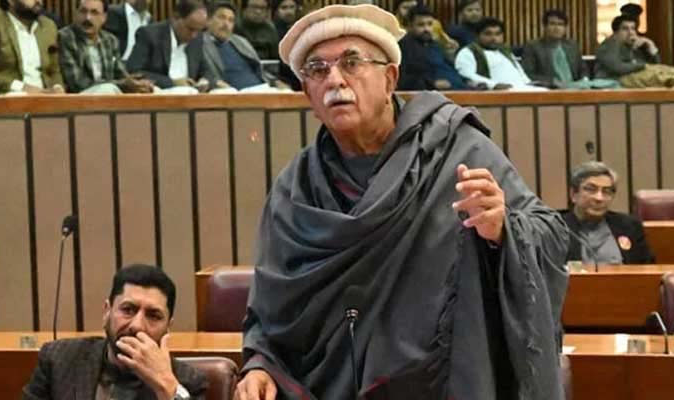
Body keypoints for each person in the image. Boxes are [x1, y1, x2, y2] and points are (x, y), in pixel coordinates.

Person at [235, 4, 569, 400]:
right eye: (318, 70)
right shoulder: (296, 189)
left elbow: (552, 235)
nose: (335, 80)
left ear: (390, 78)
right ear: (307, 92)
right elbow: (271, 305)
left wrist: (502, 229)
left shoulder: (455, 149)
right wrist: (261, 363)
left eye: (351, 63)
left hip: (442, 384)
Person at [22, 264, 207, 399]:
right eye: (128, 310)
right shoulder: (59, 360)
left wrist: (166, 387)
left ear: (168, 327)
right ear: (107, 312)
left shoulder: (187, 380)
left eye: (153, 316)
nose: (137, 326)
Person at [562, 161, 655, 265]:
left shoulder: (629, 226)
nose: (599, 198)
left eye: (606, 191)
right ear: (573, 194)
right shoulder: (556, 227)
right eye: (591, 189)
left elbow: (647, 267)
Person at [58, 0, 154, 94]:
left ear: (104, 17)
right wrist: (122, 84)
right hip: (79, 96)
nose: (88, 18)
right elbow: (77, 83)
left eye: (94, 13)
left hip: (110, 93)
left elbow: (121, 74)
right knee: (109, 89)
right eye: (83, 12)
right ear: (75, 14)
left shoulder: (110, 40)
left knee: (151, 90)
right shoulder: (65, 37)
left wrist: (136, 84)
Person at [0, 0, 64, 94]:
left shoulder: (48, 26)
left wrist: (57, 87)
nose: (38, 1)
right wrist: (21, 86)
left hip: (45, 97)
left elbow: (54, 70)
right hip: (7, 97)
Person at [126, 0, 214, 93]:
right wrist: (173, 82)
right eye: (190, 29)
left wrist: (205, 81)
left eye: (198, 30)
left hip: (191, 96)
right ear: (175, 18)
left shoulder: (197, 39)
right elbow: (135, 72)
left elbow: (207, 71)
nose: (194, 35)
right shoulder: (150, 34)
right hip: (158, 95)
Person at [203, 1, 288, 91]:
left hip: (261, 89)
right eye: (221, 17)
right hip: (231, 93)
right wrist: (214, 83)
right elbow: (202, 75)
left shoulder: (241, 41)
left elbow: (259, 70)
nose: (226, 24)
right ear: (208, 20)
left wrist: (275, 81)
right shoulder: (200, 43)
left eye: (231, 20)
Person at [455, 17, 546, 91]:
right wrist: (494, 85)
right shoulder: (468, 52)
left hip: (522, 89)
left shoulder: (505, 51)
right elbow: (467, 75)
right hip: (495, 93)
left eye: (498, 34)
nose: (494, 38)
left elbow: (520, 72)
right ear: (477, 35)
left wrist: (530, 83)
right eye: (488, 34)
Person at [398, 4, 466, 90]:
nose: (427, 29)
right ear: (410, 26)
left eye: (430, 24)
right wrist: (432, 84)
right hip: (431, 94)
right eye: (421, 25)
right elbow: (403, 80)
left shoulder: (434, 44)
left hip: (459, 89)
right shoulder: (404, 46)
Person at [595, 14, 674, 88]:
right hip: (617, 79)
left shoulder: (634, 44)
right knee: (658, 76)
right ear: (616, 33)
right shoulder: (608, 45)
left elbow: (656, 64)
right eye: (625, 29)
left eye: (633, 28)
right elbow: (618, 68)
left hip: (637, 76)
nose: (631, 33)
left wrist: (651, 46)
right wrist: (643, 65)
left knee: (668, 71)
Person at [521, 10, 588, 88]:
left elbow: (583, 69)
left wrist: (585, 79)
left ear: (565, 28)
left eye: (560, 24)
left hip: (576, 88)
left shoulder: (572, 46)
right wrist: (552, 82)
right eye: (552, 24)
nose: (557, 28)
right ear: (545, 27)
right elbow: (527, 74)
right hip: (550, 90)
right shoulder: (533, 47)